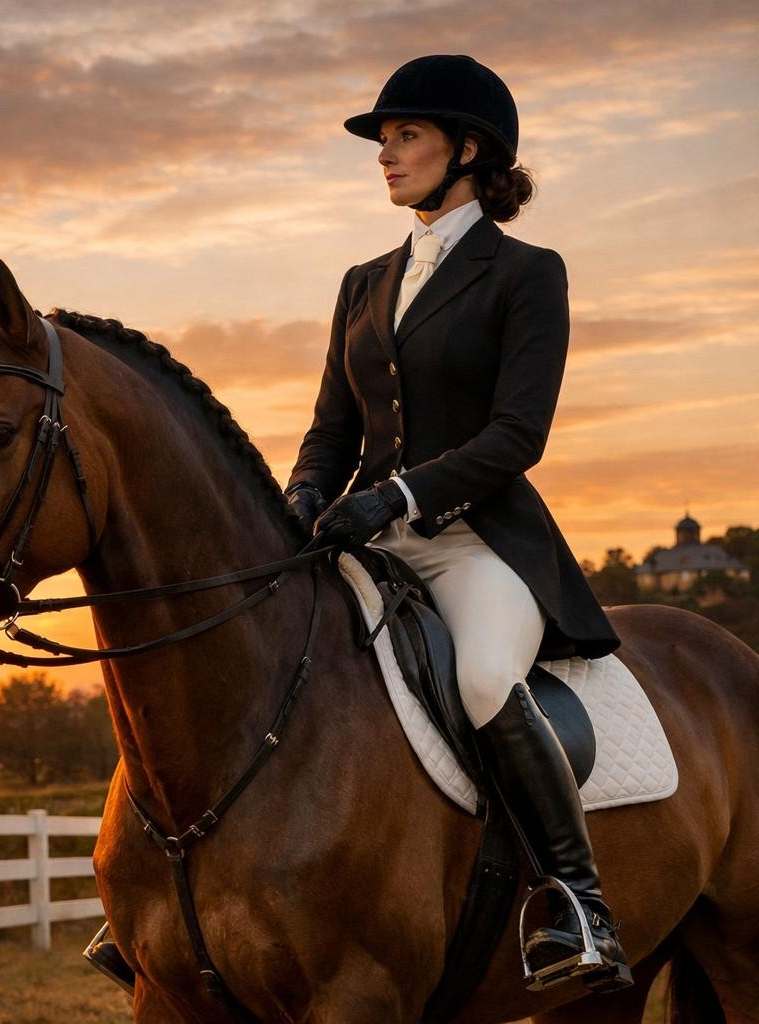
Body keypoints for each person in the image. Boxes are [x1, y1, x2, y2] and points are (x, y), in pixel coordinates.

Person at [286, 54, 632, 990]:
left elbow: (518, 434)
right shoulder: (363, 281)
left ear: (468, 150)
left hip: (477, 541)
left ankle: (579, 905)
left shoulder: (527, 273)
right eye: (384, 139)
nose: (385, 155)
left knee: (483, 677)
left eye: (406, 136)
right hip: (364, 538)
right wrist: (305, 496)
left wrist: (399, 496)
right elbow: (332, 429)